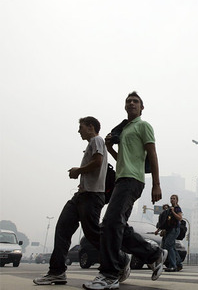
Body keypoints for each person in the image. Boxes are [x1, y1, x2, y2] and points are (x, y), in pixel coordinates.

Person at [83, 92, 167, 290]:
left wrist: (156, 183)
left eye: (135, 101)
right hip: (122, 179)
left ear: (141, 107)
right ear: (125, 106)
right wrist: (110, 148)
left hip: (133, 179)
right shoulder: (125, 129)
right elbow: (122, 158)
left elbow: (152, 154)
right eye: (128, 101)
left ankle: (110, 274)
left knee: (111, 223)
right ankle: (153, 253)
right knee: (115, 224)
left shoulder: (143, 126)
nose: (131, 103)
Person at [34, 117, 109, 285]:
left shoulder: (97, 140)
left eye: (81, 127)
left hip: (92, 196)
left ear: (91, 127)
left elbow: (98, 162)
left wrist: (78, 170)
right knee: (62, 228)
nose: (78, 131)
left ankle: (117, 259)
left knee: (93, 234)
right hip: (81, 196)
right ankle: (57, 272)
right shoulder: (91, 144)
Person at [163, 194, 183, 272]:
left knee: (168, 245)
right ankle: (179, 264)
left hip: (175, 229)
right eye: (171, 198)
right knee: (172, 247)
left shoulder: (177, 208)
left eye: (174, 198)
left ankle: (173, 265)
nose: (172, 200)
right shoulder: (170, 209)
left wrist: (173, 212)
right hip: (170, 229)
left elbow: (180, 218)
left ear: (177, 200)